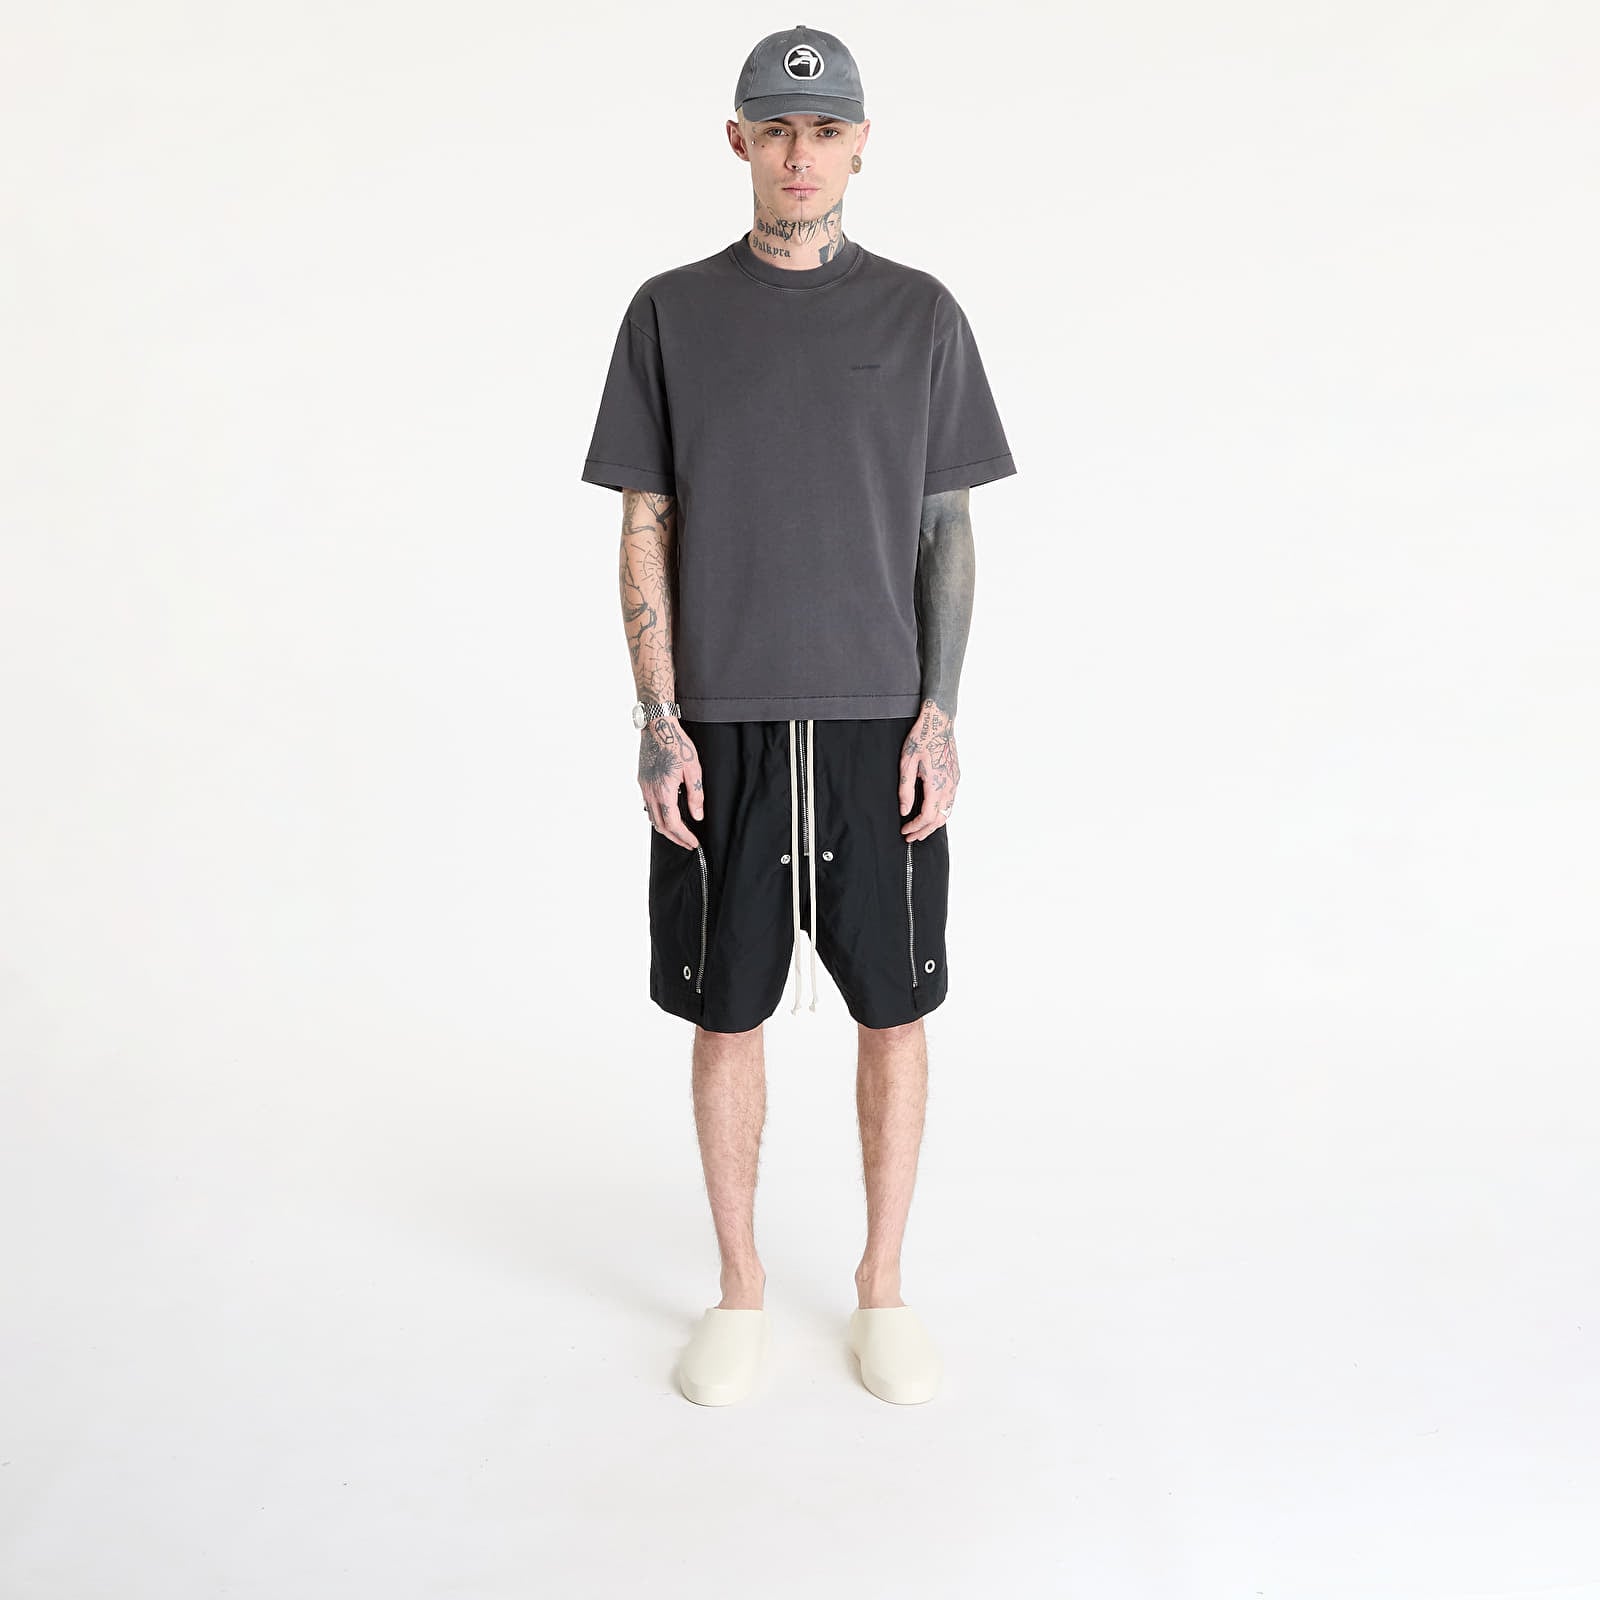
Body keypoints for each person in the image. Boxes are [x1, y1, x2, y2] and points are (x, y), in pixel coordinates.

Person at [579, 24, 1017, 1407]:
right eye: (775, 129)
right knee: (727, 1011)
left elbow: (947, 534)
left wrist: (940, 714)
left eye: (825, 131)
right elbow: (645, 524)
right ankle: (741, 1292)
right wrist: (659, 718)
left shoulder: (921, 315)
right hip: (724, 719)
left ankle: (883, 1288)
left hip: (880, 718)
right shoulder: (669, 313)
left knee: (895, 1007)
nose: (800, 154)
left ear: (862, 144)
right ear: (738, 142)